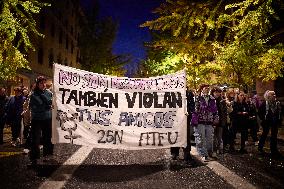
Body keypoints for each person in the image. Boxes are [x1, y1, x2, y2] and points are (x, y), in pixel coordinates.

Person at [29, 76, 53, 167]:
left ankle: (47, 155)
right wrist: (46, 105)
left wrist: (47, 105)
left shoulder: (49, 93)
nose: (43, 85)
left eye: (44, 83)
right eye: (41, 83)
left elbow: (51, 103)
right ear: (37, 84)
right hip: (37, 119)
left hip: (47, 118)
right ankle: (34, 158)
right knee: (35, 139)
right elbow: (36, 106)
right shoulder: (33, 94)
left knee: (47, 137)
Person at [191, 84, 219, 162]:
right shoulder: (197, 98)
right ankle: (203, 154)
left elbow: (215, 110)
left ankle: (210, 153)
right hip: (200, 121)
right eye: (205, 88)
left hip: (209, 121)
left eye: (208, 88)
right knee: (200, 138)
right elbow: (194, 109)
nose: (207, 89)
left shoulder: (212, 98)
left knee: (210, 138)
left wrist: (216, 119)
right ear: (202, 89)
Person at [170, 88, 195, 164]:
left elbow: (192, 105)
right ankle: (174, 153)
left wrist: (189, 112)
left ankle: (187, 154)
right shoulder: (172, 92)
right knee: (175, 135)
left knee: (186, 137)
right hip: (175, 118)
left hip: (185, 118)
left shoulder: (189, 93)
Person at [258, 90, 282, 158]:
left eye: (274, 94)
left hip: (274, 122)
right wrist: (263, 119)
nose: (274, 96)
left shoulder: (277, 103)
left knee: (274, 136)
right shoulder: (265, 103)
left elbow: (280, 113)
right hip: (267, 122)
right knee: (264, 134)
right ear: (269, 96)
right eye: (272, 95)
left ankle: (274, 150)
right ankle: (260, 148)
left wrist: (279, 121)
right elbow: (260, 112)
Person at [211, 87, 227, 154]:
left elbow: (224, 112)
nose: (217, 94)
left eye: (219, 92)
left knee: (219, 136)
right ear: (213, 93)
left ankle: (220, 149)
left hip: (220, 121)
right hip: (212, 121)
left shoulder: (222, 101)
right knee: (213, 137)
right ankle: (214, 150)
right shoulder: (211, 100)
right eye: (216, 92)